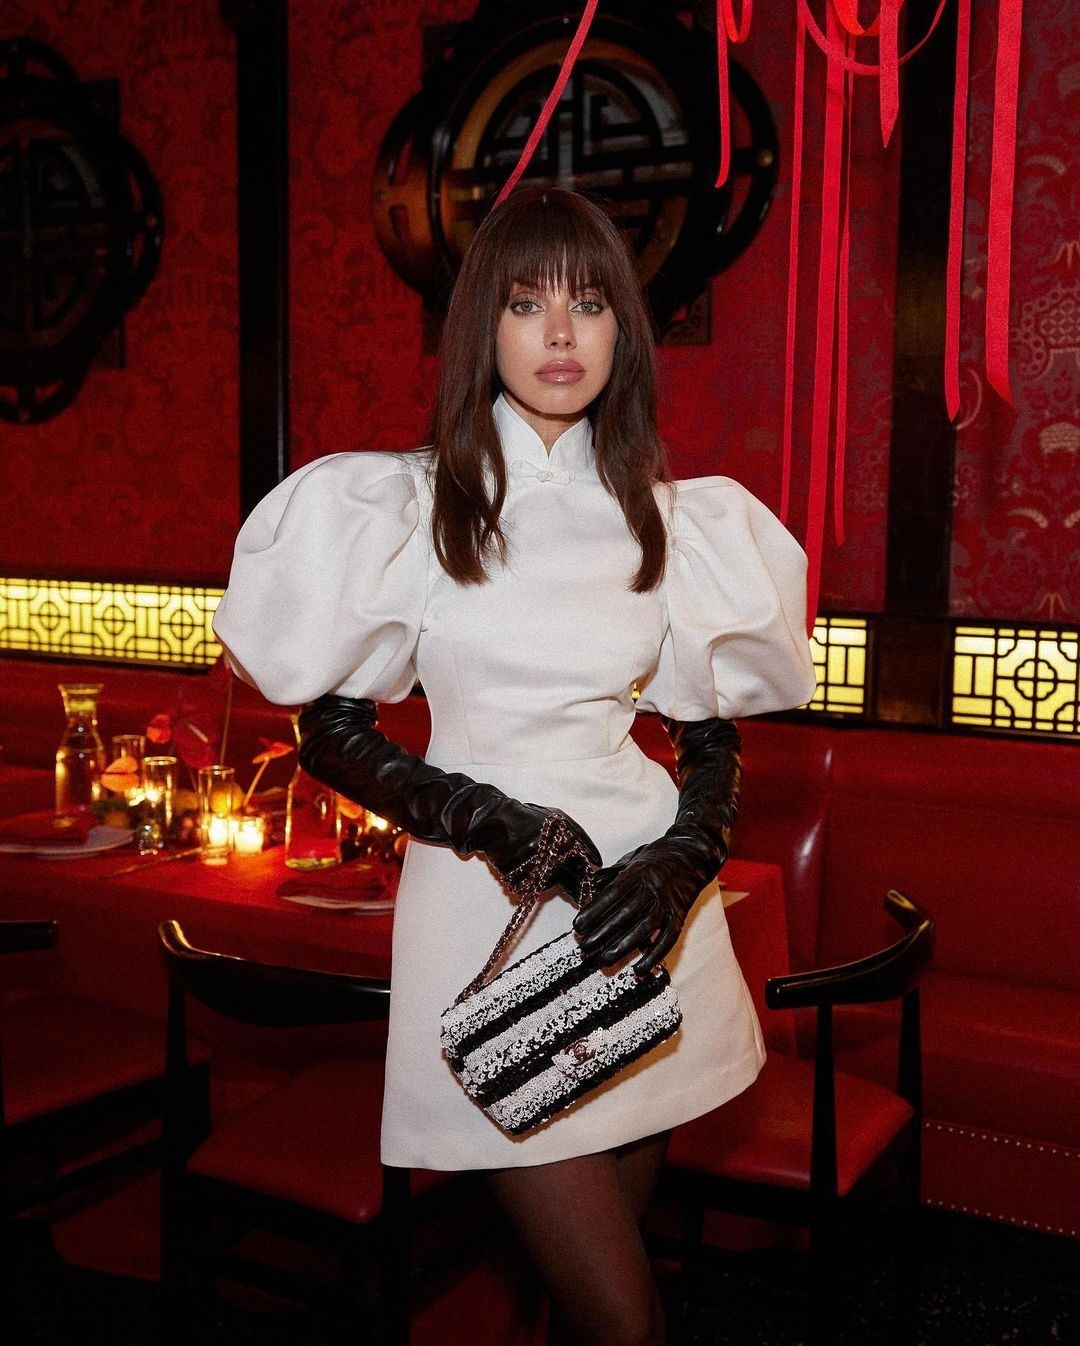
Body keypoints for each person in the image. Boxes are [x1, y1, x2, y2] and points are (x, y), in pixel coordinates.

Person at [212, 187, 816, 1346]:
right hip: (483, 910)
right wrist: (482, 815)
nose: (560, 331)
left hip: (647, 914)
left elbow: (709, 730)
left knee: (585, 1307)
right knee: (623, 1317)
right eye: (527, 303)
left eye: (590, 303)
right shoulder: (405, 502)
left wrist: (685, 859)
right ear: (482, 324)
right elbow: (329, 728)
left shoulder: (669, 517)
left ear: (622, 329)